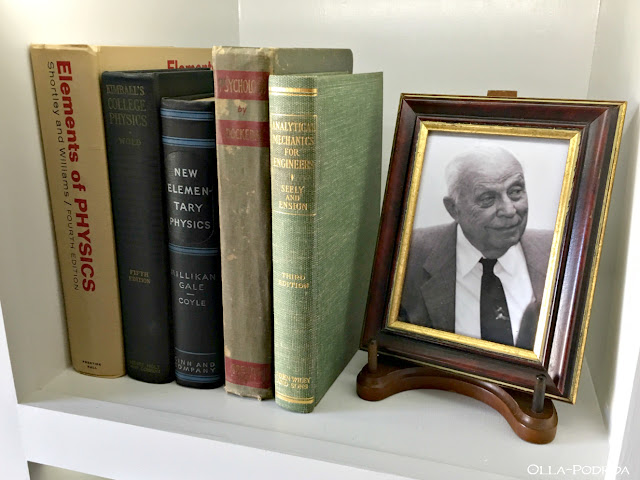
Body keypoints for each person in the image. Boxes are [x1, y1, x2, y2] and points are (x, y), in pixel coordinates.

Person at [399, 145, 552, 349]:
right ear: (453, 209)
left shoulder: (556, 251)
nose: (509, 210)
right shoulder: (408, 255)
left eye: (515, 191)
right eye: (487, 198)